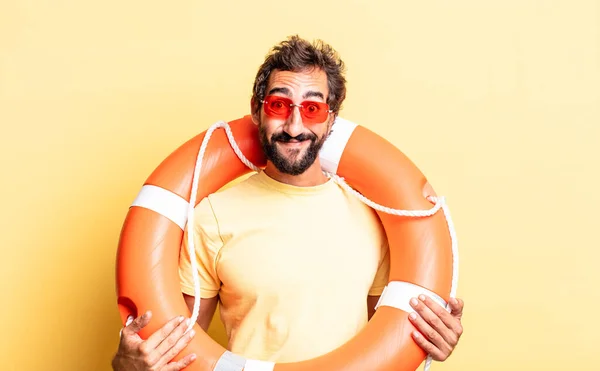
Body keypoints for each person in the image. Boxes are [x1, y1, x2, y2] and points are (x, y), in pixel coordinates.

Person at [112, 35, 464, 371]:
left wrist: (432, 339)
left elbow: (386, 339)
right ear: (257, 110)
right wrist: (128, 366)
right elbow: (182, 349)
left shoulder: (373, 216)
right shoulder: (212, 217)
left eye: (312, 108)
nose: (294, 126)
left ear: (331, 119)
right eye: (279, 105)